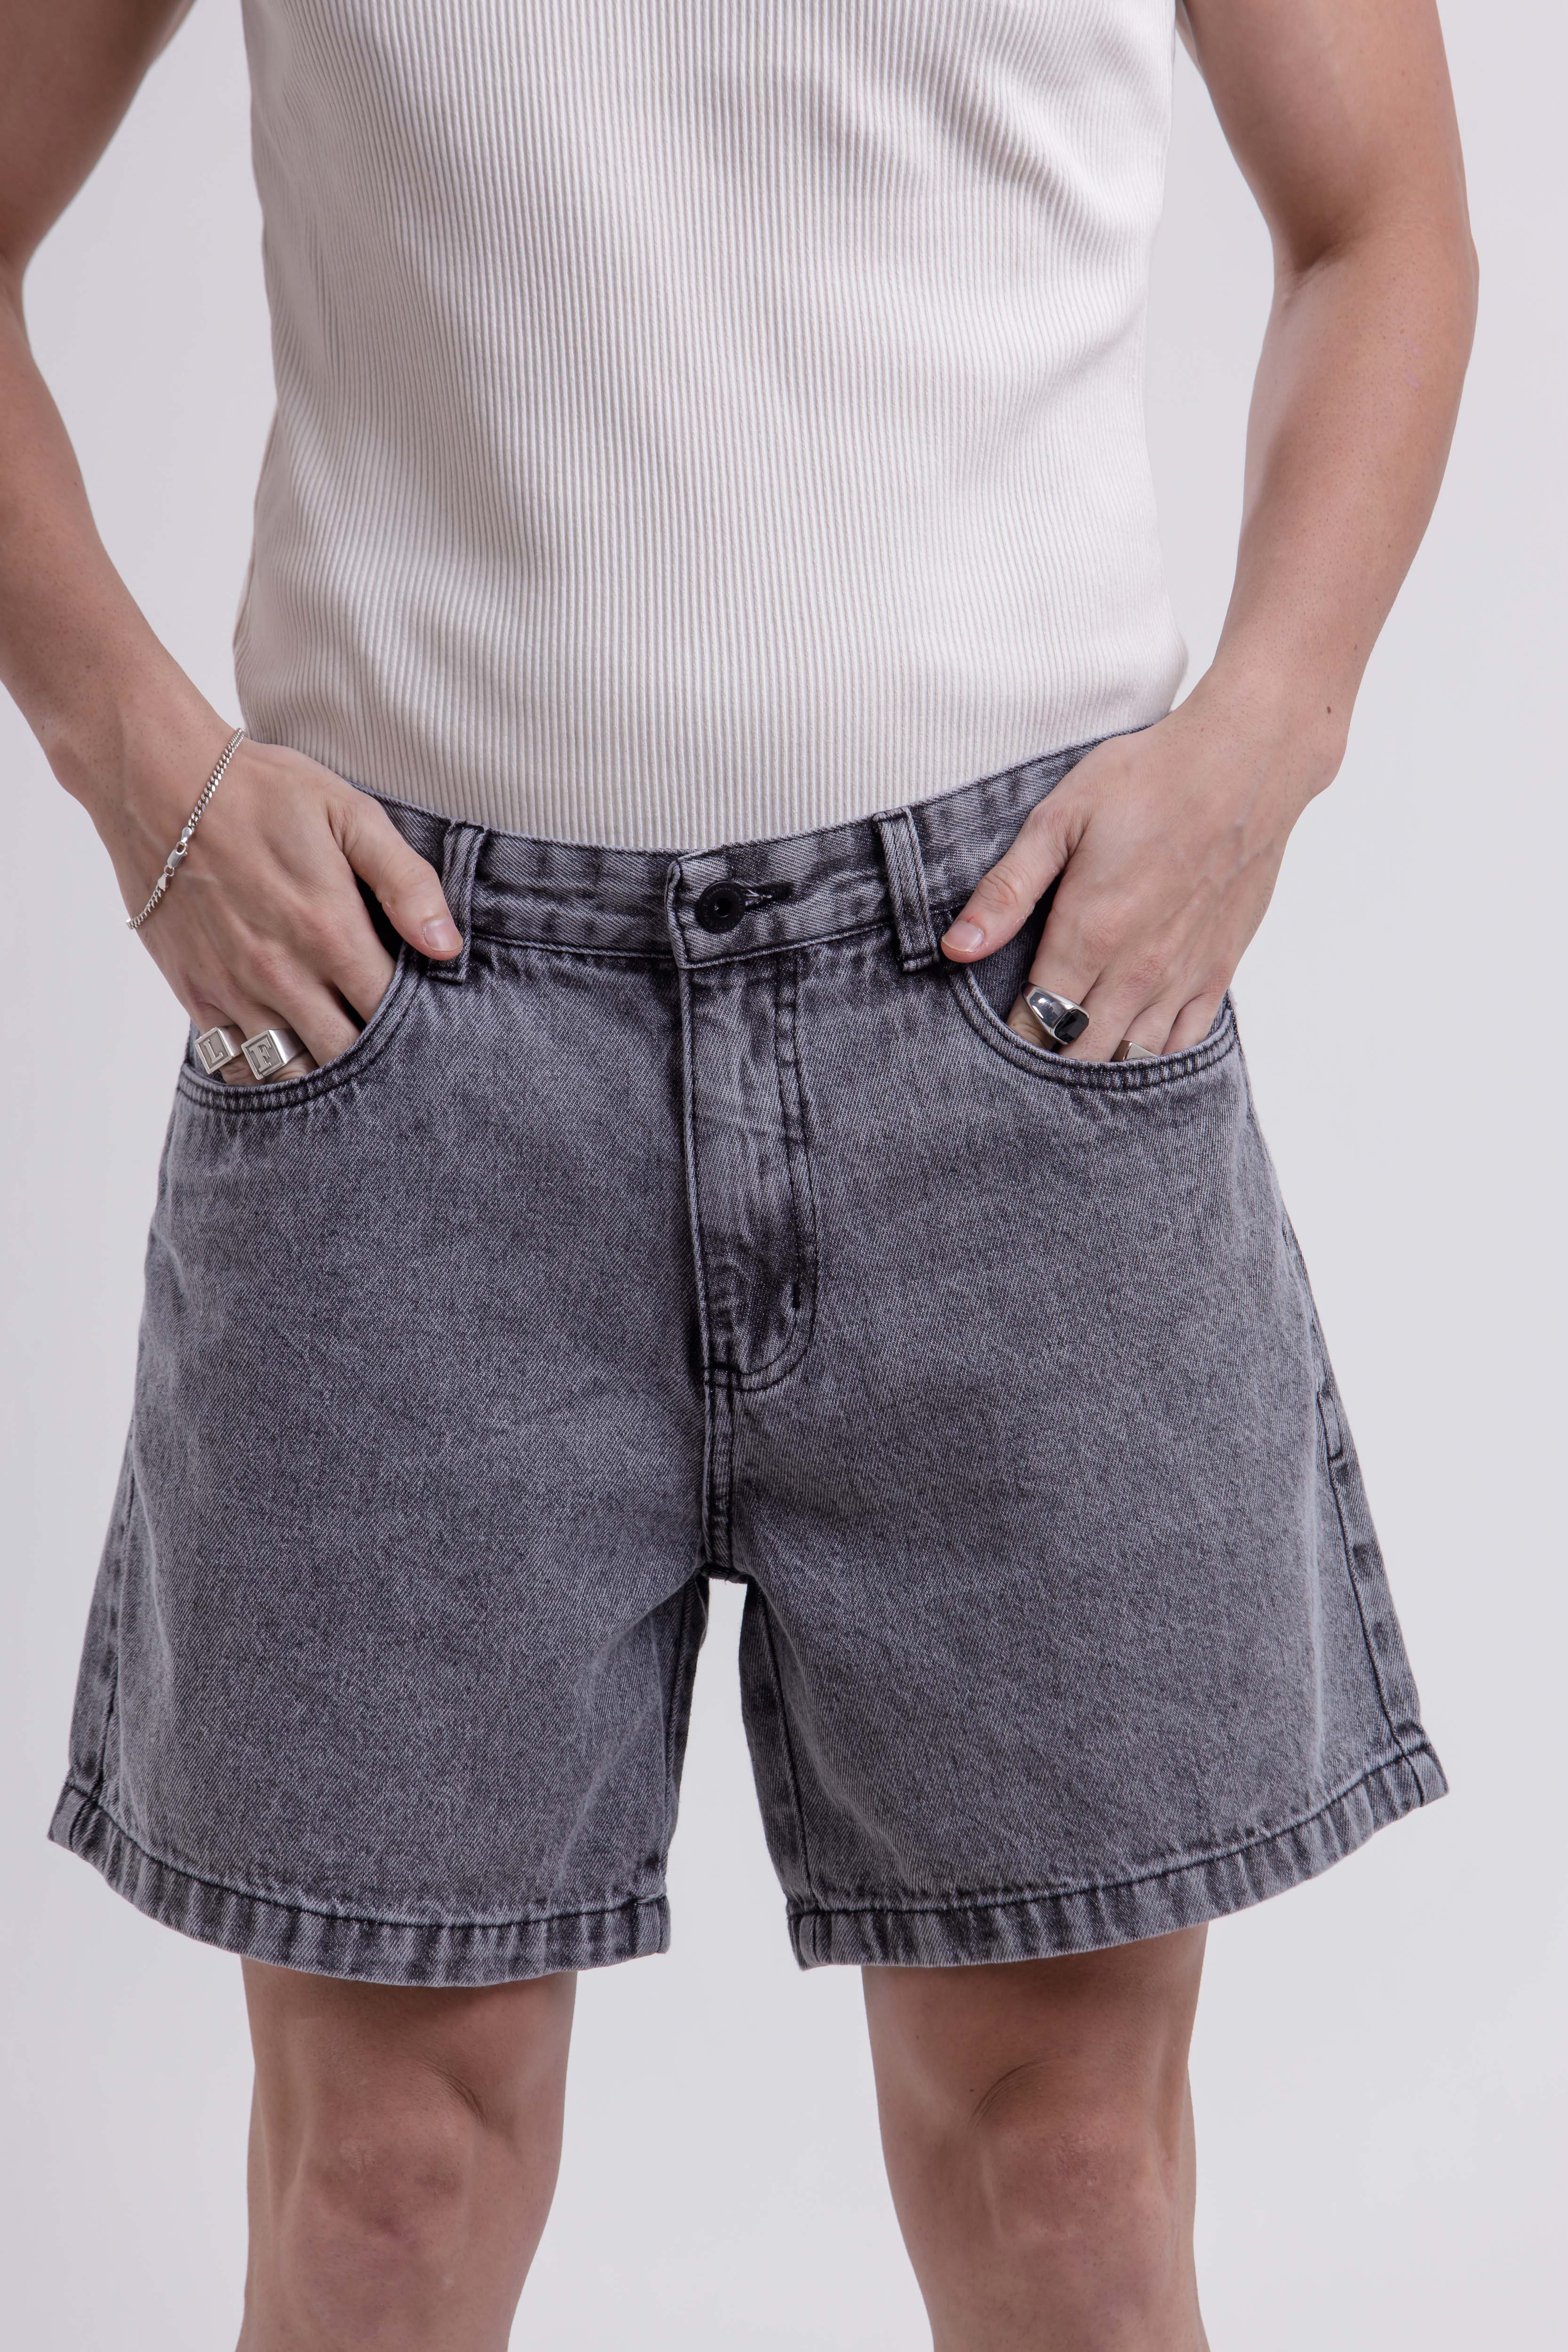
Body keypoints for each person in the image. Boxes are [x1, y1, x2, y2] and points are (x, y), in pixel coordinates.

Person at [3, 1, 1475, 2344]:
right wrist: (140, 769)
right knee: (386, 2177)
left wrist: (1269, 735)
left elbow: (1381, 218)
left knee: (1066, 2165)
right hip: (413, 1032)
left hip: (1024, 1013)